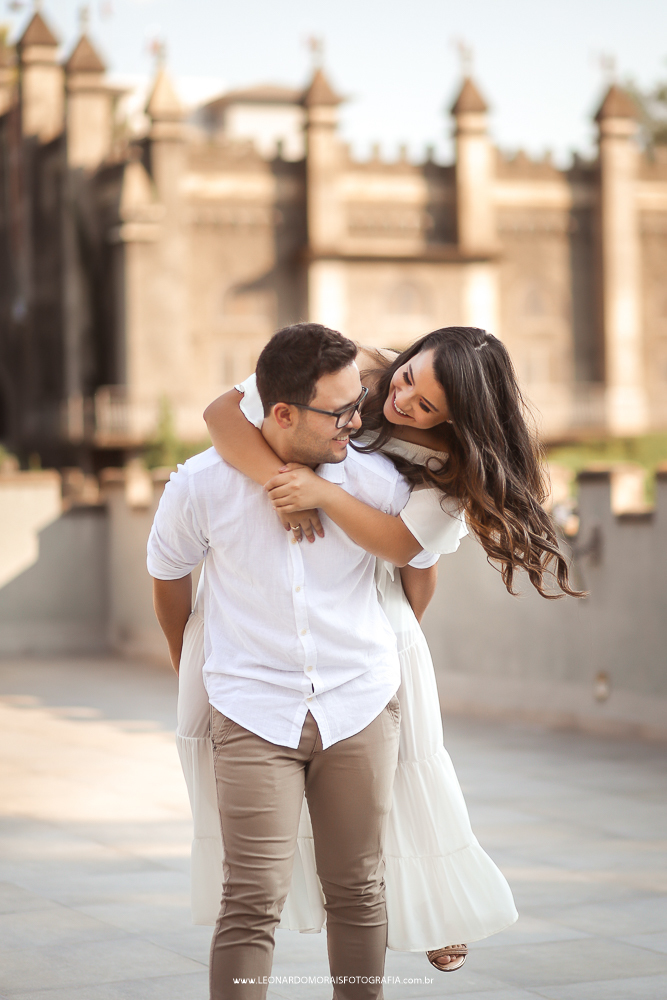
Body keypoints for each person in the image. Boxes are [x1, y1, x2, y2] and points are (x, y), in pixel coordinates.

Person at [202, 325, 581, 972]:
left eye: (426, 406)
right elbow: (221, 414)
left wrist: (320, 494)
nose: (402, 401)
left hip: (379, 605)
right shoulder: (356, 366)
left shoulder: (455, 465)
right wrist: (283, 484)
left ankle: (442, 907)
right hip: (303, 591)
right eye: (408, 377)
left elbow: (405, 549)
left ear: (456, 419)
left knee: (409, 771)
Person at [148, 323, 447, 1000]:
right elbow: (168, 577)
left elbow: (419, 567)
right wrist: (184, 663)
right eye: (338, 412)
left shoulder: (374, 483)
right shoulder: (201, 484)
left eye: (357, 404)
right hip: (250, 709)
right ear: (279, 412)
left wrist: (380, 648)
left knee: (358, 888)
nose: (357, 420)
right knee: (250, 899)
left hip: (359, 703)